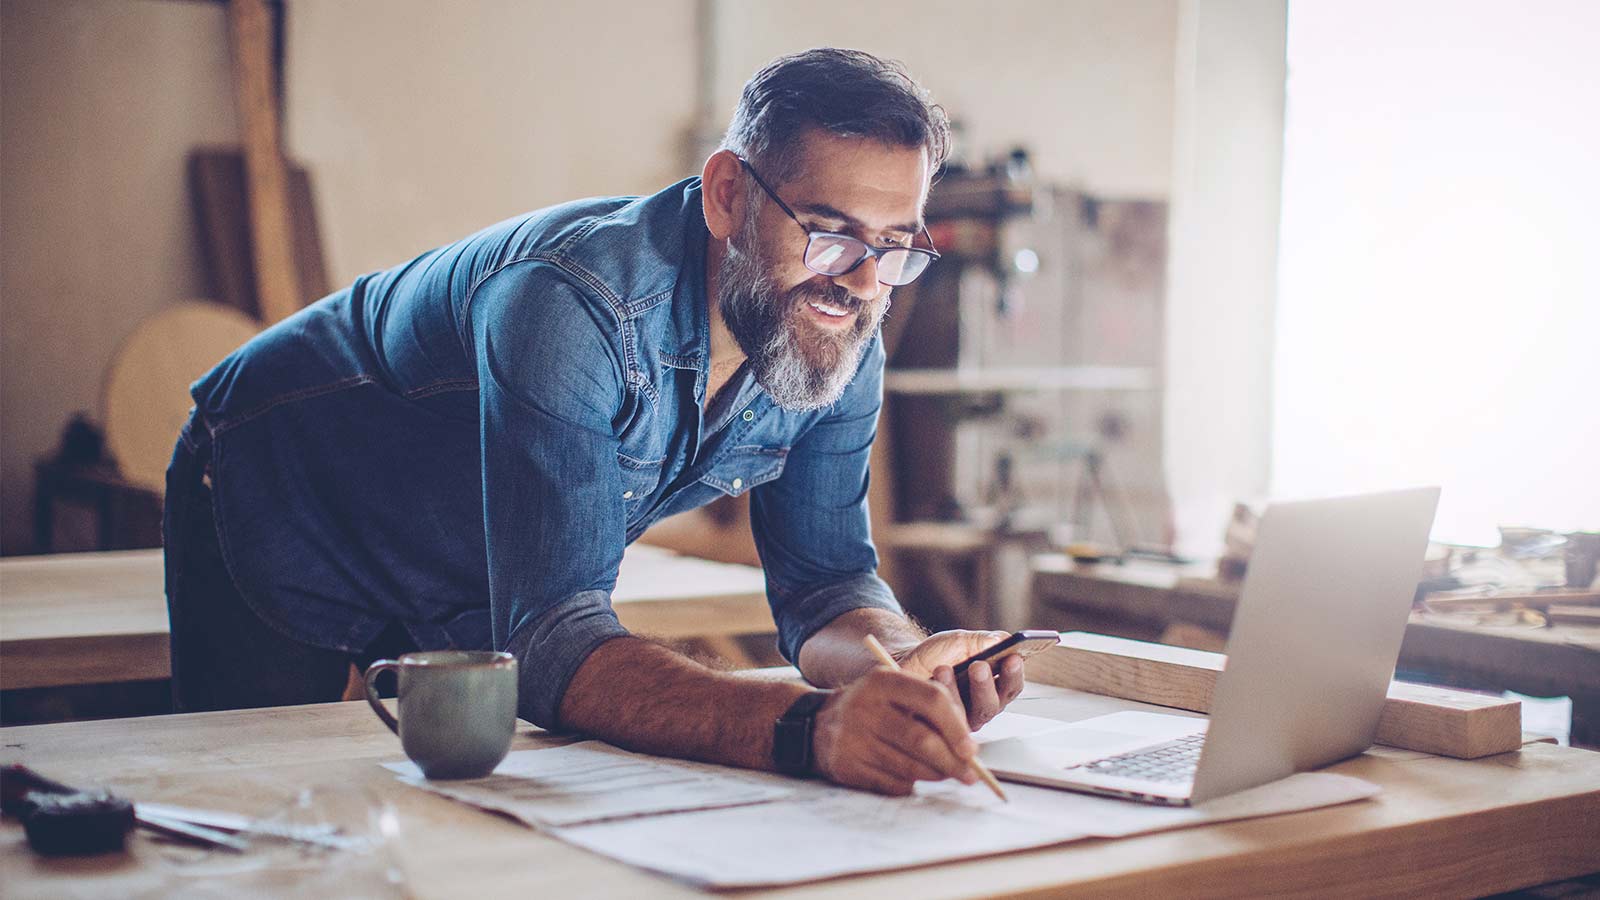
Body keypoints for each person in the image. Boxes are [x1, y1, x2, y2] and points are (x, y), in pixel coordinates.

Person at [164, 47, 1026, 796]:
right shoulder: (569, 307)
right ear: (727, 193)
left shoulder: (839, 336)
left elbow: (828, 586)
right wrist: (806, 729)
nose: (863, 282)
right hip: (283, 493)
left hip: (468, 564)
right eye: (831, 233)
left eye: (895, 247)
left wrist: (900, 665)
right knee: (265, 812)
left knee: (443, 830)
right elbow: (553, 645)